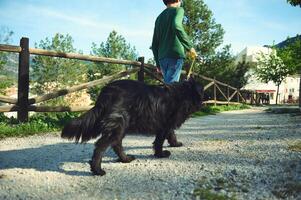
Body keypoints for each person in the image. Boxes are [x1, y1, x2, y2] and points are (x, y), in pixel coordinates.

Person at [151, 0, 197, 84]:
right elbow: (177, 25)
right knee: (171, 89)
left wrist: (158, 64)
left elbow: (154, 44)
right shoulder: (179, 10)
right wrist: (189, 47)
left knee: (167, 86)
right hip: (175, 55)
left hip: (162, 58)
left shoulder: (159, 18)